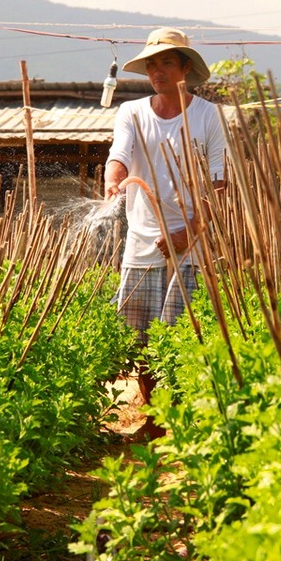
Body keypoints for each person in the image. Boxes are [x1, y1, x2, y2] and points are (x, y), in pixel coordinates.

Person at [104, 27, 227, 441]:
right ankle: (155, 420)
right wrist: (114, 180)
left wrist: (189, 231)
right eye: (152, 63)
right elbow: (119, 154)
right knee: (141, 340)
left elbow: (219, 184)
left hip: (190, 245)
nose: (157, 70)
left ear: (185, 69)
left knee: (181, 337)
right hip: (141, 241)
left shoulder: (207, 116)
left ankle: (181, 421)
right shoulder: (133, 112)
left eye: (166, 62)